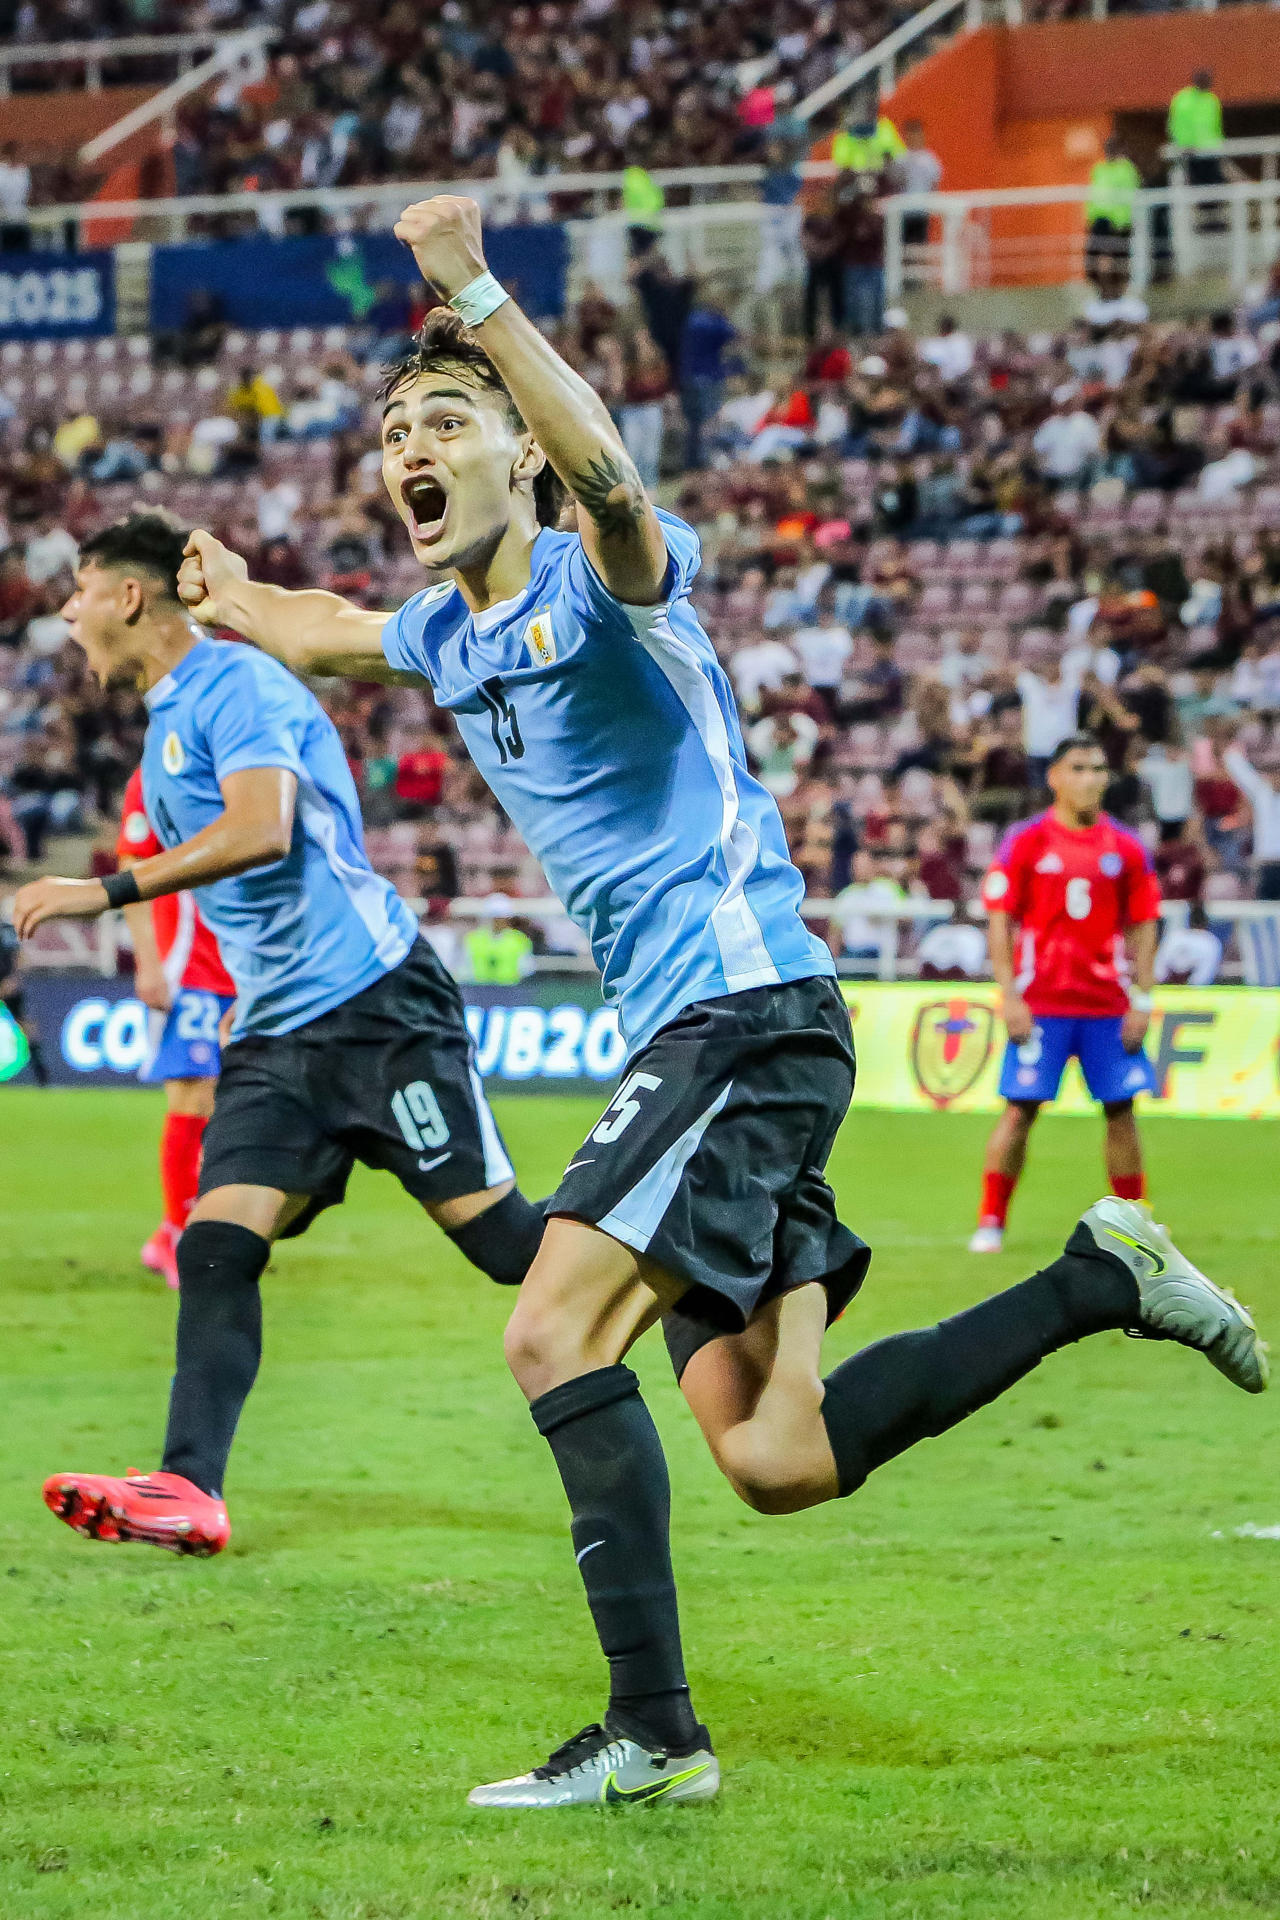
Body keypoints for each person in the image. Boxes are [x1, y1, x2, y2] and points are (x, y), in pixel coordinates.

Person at [176, 198, 1267, 1810]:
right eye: (398, 429)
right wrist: (226, 589)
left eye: (450, 422)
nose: (415, 444)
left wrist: (478, 298)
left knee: (548, 1333)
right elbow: (328, 628)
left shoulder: (612, 578)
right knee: (774, 1457)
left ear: (519, 462)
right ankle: (1096, 1280)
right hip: (711, 1038)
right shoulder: (447, 630)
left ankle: (654, 1736)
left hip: (743, 1017)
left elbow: (611, 475)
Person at [15, 512, 549, 1559]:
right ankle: (187, 1487)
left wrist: (103, 892)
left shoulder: (240, 687)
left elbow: (261, 828)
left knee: (506, 1250)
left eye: (78, 592)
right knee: (214, 1245)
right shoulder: (168, 720)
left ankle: (718, 1275)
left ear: (129, 596)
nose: (67, 615)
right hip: (273, 1033)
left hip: (375, 1006)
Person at [970, 734, 1162, 1254]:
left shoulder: (1124, 846)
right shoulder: (1027, 841)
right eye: (1078, 768)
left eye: (1099, 769)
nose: (1091, 779)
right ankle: (991, 1221)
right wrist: (1009, 996)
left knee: (1121, 1111)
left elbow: (1144, 925)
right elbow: (1000, 921)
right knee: (1019, 1110)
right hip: (1042, 1006)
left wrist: (1143, 1000)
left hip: (1107, 1006)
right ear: (1055, 776)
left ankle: (1140, 1226)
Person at [117, 766, 237, 1290]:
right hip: (185, 965)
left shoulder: (246, 764)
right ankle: (176, 1233)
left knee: (235, 1108)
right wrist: (147, 959)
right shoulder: (156, 772)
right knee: (192, 1099)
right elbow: (133, 862)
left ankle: (200, 1228)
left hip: (245, 966)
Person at [1085, 138, 1142, 288]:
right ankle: (1102, 287)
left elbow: (1129, 193)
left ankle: (1120, 287)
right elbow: (1094, 194)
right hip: (1099, 219)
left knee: (1120, 258)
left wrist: (1121, 221)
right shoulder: (1099, 169)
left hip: (1119, 221)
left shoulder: (1126, 169)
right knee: (1096, 257)